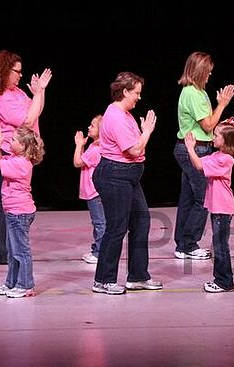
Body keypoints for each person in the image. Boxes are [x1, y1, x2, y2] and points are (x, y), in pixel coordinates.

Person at [92, 71, 162, 295]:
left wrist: (142, 134)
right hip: (114, 176)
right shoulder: (116, 116)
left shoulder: (125, 114)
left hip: (128, 177)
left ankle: (138, 276)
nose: (139, 98)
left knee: (141, 222)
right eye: (136, 93)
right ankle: (103, 280)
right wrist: (147, 132)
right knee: (117, 227)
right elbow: (133, 149)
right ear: (124, 92)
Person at [0, 50, 52, 264]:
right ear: (3, 71)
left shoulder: (16, 92)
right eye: (16, 71)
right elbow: (27, 122)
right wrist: (38, 94)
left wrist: (40, 93)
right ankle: (2, 253)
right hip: (6, 151)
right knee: (6, 202)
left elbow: (35, 111)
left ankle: (11, 247)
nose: (20, 75)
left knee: (15, 200)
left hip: (19, 152)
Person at [173, 51, 234, 260]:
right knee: (203, 199)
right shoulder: (192, 93)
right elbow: (207, 125)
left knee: (188, 198)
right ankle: (188, 244)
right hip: (195, 149)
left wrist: (223, 119)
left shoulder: (200, 92)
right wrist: (222, 104)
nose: (210, 76)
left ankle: (182, 244)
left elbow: (210, 124)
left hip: (197, 147)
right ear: (199, 72)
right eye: (207, 72)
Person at [184, 118, 234, 293]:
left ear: (226, 140)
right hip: (217, 208)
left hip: (223, 208)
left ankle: (225, 281)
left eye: (217, 135)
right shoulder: (217, 155)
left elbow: (199, 165)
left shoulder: (226, 159)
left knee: (220, 246)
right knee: (218, 245)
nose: (213, 137)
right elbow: (200, 162)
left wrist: (189, 148)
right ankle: (222, 279)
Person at [0, 125, 45, 298]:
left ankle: (25, 285)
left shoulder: (21, 163)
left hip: (19, 213)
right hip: (12, 212)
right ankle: (12, 283)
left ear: (23, 146)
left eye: (13, 139)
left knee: (21, 251)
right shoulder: (15, 157)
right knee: (12, 250)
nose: (10, 141)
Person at [73, 115, 105, 264]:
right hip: (93, 191)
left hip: (95, 192)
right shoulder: (94, 146)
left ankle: (100, 253)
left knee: (100, 223)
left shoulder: (96, 149)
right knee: (98, 222)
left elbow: (77, 162)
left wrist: (79, 145)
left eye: (92, 126)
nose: (89, 127)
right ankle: (97, 249)